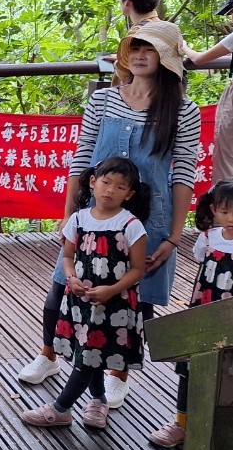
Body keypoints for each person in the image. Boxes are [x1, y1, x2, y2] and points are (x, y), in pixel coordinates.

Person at [18, 21, 200, 412]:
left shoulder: (183, 110)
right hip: (93, 214)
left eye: (149, 49)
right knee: (61, 293)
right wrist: (69, 215)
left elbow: (183, 171)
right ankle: (49, 355)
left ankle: (118, 376)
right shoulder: (103, 99)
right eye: (134, 47)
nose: (139, 55)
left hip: (147, 220)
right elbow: (83, 157)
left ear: (166, 59)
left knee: (135, 304)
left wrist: (172, 237)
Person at [20, 158, 149, 431]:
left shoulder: (131, 224)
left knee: (91, 354)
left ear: (130, 193)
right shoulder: (78, 219)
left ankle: (61, 408)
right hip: (81, 301)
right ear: (93, 182)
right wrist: (72, 279)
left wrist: (112, 290)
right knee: (90, 351)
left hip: (116, 305)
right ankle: (99, 400)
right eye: (105, 182)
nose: (110, 190)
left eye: (120, 186)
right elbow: (67, 256)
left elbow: (138, 269)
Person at [149, 179, 233, 448]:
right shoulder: (207, 239)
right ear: (214, 210)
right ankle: (181, 423)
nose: (231, 219)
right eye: (224, 211)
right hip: (205, 313)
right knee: (191, 368)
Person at [184, 0, 233, 180]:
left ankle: (226, 208)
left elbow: (199, 59)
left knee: (229, 163)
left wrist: (184, 47)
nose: (232, 18)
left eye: (232, 12)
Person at [111, 0, 187, 84]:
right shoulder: (169, 30)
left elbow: (125, 75)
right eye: (135, 50)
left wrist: (121, 60)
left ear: (127, 3)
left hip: (145, 95)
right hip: (171, 94)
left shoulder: (138, 33)